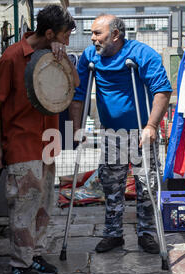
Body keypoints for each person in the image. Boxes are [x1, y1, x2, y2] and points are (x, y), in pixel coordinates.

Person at [0, 4, 79, 274]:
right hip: (21, 139)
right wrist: (0, 147)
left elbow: (74, 85)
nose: (67, 42)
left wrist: (65, 60)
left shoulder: (56, 55)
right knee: (24, 204)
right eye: (64, 36)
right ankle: (20, 263)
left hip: (48, 140)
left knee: (45, 203)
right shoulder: (13, 57)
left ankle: (36, 254)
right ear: (50, 32)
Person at [69, 14, 172, 254]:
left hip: (141, 132)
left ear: (115, 35)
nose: (92, 38)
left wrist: (152, 126)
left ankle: (146, 233)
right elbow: (78, 95)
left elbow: (162, 90)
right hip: (112, 134)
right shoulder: (90, 56)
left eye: (97, 33)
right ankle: (113, 234)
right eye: (92, 33)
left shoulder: (142, 54)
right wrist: (77, 128)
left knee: (146, 183)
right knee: (111, 184)